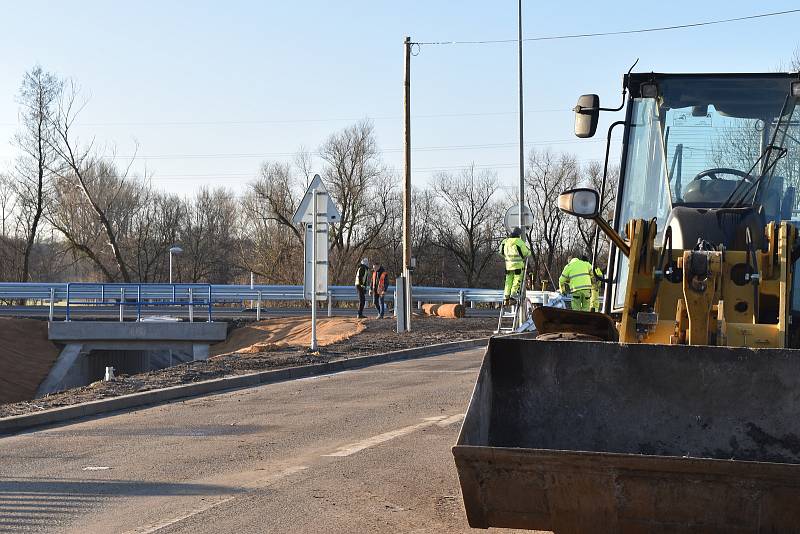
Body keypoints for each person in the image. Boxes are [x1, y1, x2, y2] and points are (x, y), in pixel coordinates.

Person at [499, 227, 531, 305]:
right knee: (517, 280)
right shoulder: (519, 242)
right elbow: (526, 253)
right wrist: (529, 252)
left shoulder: (505, 241)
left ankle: (506, 297)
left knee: (508, 281)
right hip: (518, 266)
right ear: (518, 234)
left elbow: (500, 252)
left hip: (508, 266)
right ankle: (513, 296)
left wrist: (508, 258)